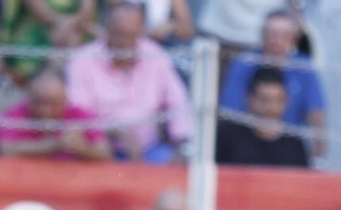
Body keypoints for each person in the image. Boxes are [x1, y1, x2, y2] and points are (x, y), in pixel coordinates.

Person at [67, 2, 193, 163]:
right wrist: (119, 133)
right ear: (106, 31)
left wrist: (181, 145)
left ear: (140, 32)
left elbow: (178, 103)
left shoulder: (155, 55)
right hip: (100, 152)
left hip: (150, 150)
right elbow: (80, 115)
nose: (123, 42)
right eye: (118, 34)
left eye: (130, 35)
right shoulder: (82, 60)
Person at [219, 9, 327, 149]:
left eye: (282, 35)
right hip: (245, 143)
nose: (275, 40)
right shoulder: (243, 63)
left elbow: (317, 116)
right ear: (262, 36)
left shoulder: (304, 67)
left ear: (293, 39)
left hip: (290, 146)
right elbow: (229, 114)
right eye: (271, 34)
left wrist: (317, 159)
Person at [0, 69, 109, 161]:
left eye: (53, 104)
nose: (45, 111)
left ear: (65, 100)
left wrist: (82, 148)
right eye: (38, 102)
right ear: (29, 97)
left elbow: (105, 154)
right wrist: (55, 144)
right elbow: (5, 150)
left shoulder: (82, 115)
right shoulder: (14, 114)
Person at [215, 67, 311, 168]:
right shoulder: (227, 135)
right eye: (264, 100)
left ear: (287, 101)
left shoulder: (294, 143)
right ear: (249, 98)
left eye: (277, 100)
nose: (271, 108)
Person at [0, 0, 98, 85]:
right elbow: (40, 11)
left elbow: (86, 12)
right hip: (36, 28)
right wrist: (61, 24)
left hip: (75, 29)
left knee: (80, 41)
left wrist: (67, 25)